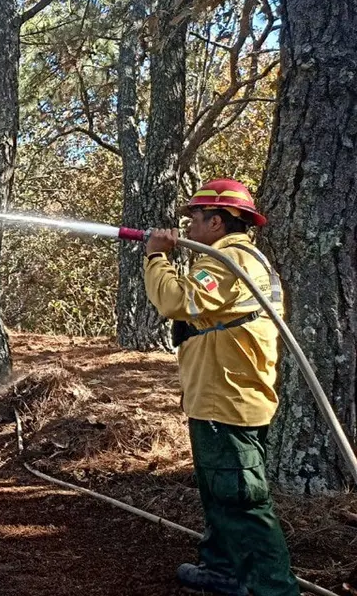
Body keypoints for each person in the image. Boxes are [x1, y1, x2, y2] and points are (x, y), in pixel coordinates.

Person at [143, 178, 297, 596]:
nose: (188, 225)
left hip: (228, 402)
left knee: (242, 502)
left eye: (193, 217)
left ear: (216, 221)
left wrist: (157, 257)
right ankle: (224, 570)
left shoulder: (227, 260)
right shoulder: (233, 259)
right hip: (221, 397)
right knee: (220, 491)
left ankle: (274, 589)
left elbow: (176, 301)